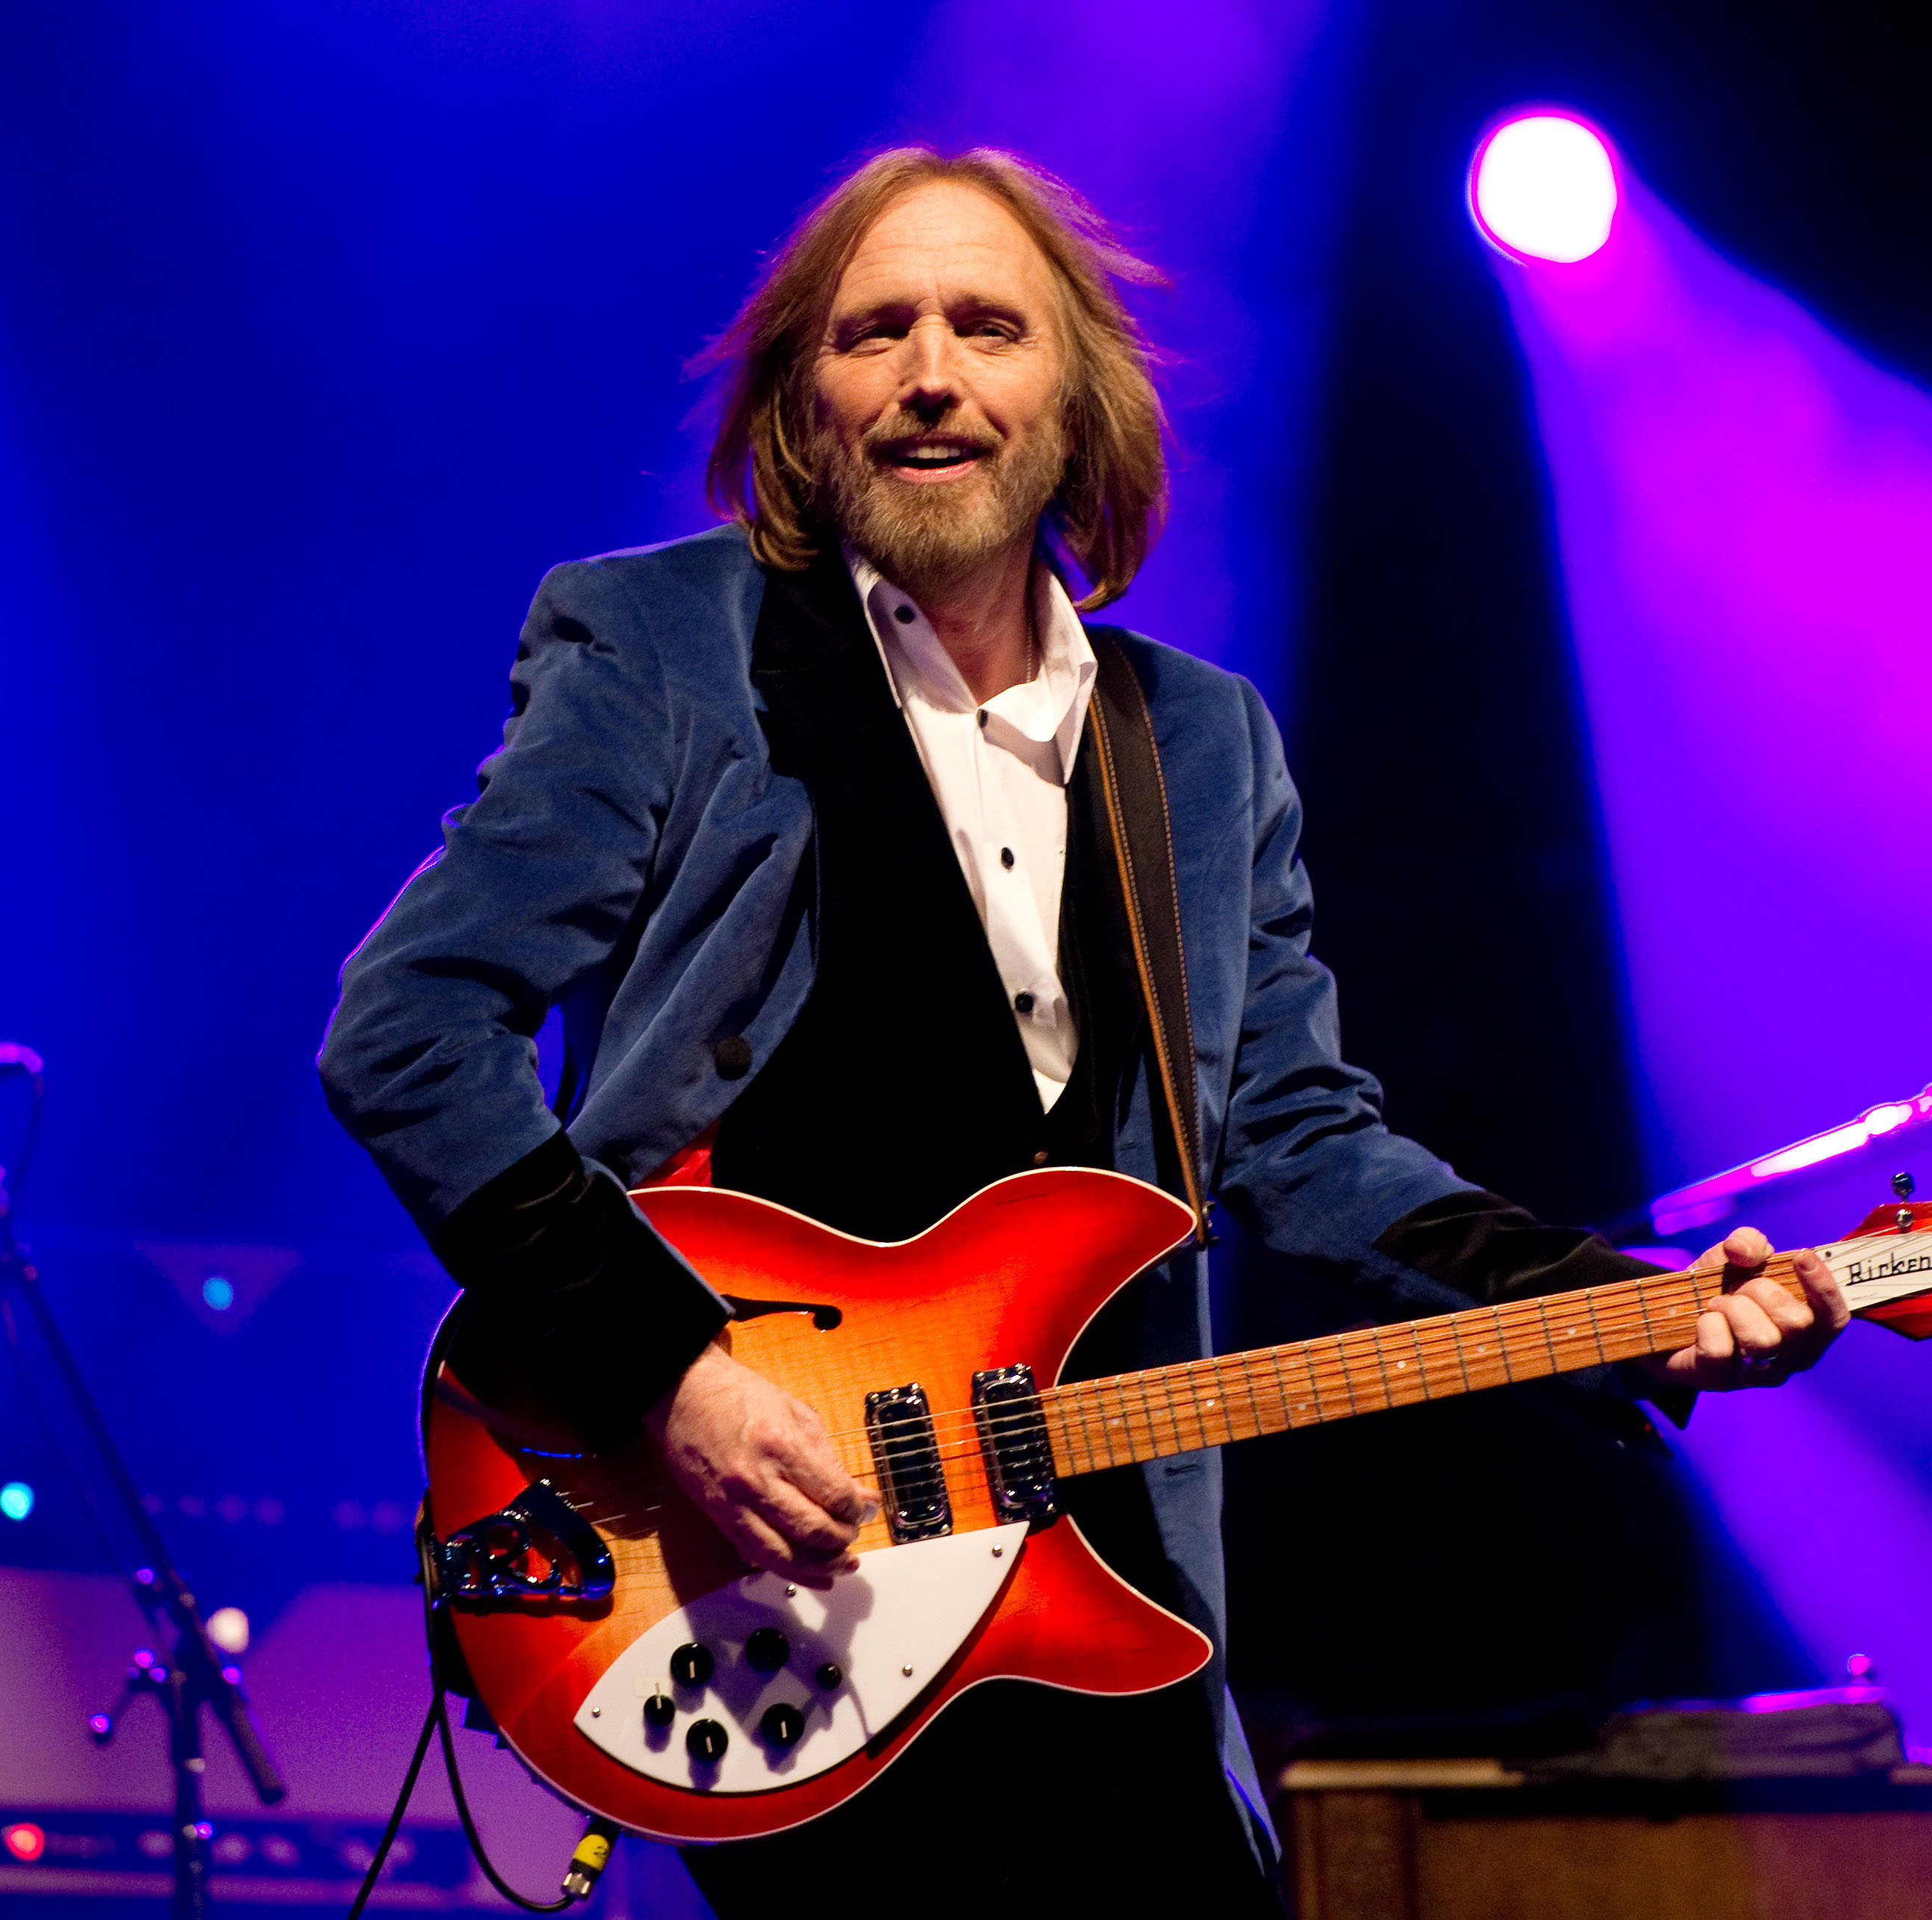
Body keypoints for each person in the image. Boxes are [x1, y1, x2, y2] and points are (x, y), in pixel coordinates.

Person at [318, 146, 1847, 1919]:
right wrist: (670, 1373)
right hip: (777, 1570)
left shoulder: (1193, 743)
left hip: (1102, 1589)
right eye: (870, 333)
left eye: (987, 327)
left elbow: (1293, 1137)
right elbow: (408, 1029)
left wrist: (1614, 1307)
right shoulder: (672, 646)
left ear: (1075, 399)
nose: (929, 376)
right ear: (803, 407)